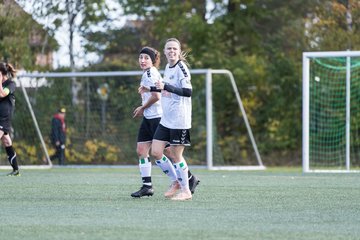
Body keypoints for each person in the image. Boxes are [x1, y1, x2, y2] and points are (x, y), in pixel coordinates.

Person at [132, 46, 199, 198]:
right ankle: (147, 186)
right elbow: (158, 91)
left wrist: (142, 107)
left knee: (170, 152)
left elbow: (157, 96)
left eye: (146, 58)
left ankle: (186, 180)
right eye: (140, 57)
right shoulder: (153, 72)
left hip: (158, 117)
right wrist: (147, 89)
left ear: (153, 60)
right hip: (149, 118)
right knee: (143, 150)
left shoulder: (152, 73)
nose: (142, 60)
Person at [0, 62, 20, 176]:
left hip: (4, 118)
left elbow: (2, 94)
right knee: (7, 141)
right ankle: (16, 170)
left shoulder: (11, 84)